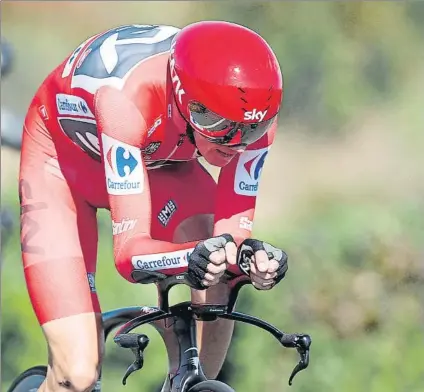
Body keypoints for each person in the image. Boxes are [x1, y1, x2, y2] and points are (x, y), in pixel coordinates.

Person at [19, 21, 288, 392]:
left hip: (158, 161)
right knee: (76, 376)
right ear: (182, 95)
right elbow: (130, 258)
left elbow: (231, 237)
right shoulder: (127, 99)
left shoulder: (252, 117)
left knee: (218, 263)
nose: (236, 144)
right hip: (62, 167)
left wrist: (251, 261)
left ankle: (189, 381)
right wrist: (193, 257)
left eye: (250, 131)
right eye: (218, 124)